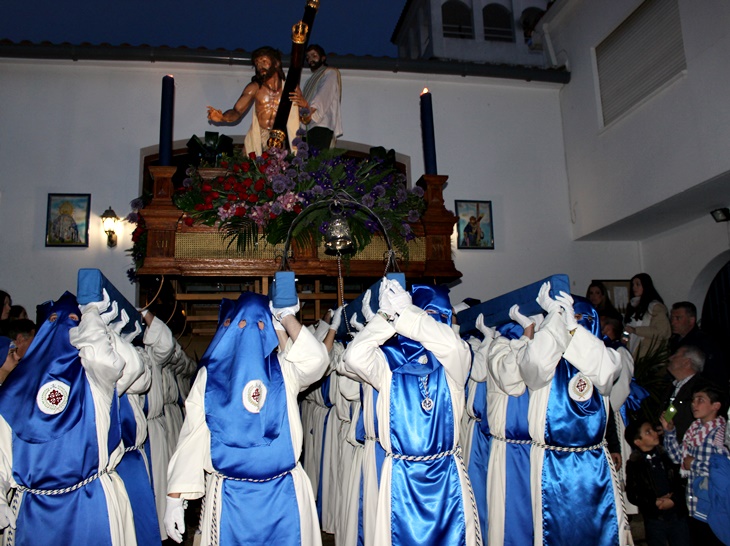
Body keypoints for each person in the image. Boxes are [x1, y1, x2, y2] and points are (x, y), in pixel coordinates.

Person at [165, 292, 329, 545]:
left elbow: (317, 360)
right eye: (243, 324)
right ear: (229, 327)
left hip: (283, 494)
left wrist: (285, 319)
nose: (251, 331)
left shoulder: (285, 369)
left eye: (260, 325)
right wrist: (174, 499)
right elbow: (191, 436)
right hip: (231, 497)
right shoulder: (209, 379)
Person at [342, 280, 481, 546]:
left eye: (440, 318)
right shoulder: (387, 362)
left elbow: (452, 345)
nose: (434, 324)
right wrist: (384, 318)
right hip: (401, 477)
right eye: (429, 315)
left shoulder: (454, 362)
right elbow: (354, 358)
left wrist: (408, 313)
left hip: (445, 475)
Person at [0, 290, 142, 545]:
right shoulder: (13, 391)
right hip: (35, 508)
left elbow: (126, 367)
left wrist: (98, 321)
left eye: (75, 322)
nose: (67, 330)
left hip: (89, 501)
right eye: (58, 322)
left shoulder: (92, 378)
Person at [520, 284, 631, 545]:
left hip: (593, 461)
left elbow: (604, 375)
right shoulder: (547, 357)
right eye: (573, 318)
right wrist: (553, 321)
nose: (579, 324)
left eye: (584, 320)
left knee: (600, 531)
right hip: (552, 461)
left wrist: (572, 328)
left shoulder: (609, 356)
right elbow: (532, 369)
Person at [661, 385, 727, 544]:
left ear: (715, 406)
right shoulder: (694, 430)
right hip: (693, 504)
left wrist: (695, 464)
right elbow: (678, 458)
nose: (694, 404)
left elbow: (724, 472)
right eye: (693, 400)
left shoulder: (720, 434)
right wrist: (669, 432)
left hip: (712, 507)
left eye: (700, 400)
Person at [207, 46, 299, 156]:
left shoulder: (291, 88)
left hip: (281, 139)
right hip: (259, 137)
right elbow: (237, 111)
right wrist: (222, 117)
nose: (260, 66)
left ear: (276, 63)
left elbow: (304, 116)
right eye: (257, 63)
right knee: (250, 167)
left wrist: (304, 105)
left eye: (264, 61)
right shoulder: (254, 88)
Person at [624, 420, 690, 546]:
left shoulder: (666, 456)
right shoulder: (634, 465)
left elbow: (681, 480)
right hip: (655, 519)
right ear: (638, 442)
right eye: (648, 432)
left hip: (677, 515)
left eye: (653, 430)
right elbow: (633, 494)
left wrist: (674, 500)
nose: (655, 433)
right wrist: (654, 502)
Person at [290, 44, 343, 151]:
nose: (311, 59)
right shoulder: (309, 81)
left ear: (323, 58)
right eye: (308, 57)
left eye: (314, 55)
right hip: (308, 126)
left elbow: (324, 94)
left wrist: (309, 109)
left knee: (317, 160)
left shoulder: (330, 72)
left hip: (321, 124)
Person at [668, 301, 728, 391]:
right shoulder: (675, 340)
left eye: (678, 318)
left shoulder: (704, 342)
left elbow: (714, 372)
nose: (673, 322)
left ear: (691, 320)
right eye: (672, 318)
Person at [662, 345, 710, 443]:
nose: (670, 358)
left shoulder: (701, 389)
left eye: (675, 355)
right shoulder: (672, 386)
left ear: (687, 362)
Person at [623, 273, 671, 359]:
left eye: (638, 284)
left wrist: (635, 330)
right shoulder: (632, 306)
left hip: (649, 355)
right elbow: (627, 329)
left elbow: (662, 332)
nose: (634, 287)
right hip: (632, 351)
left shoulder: (655, 307)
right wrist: (624, 339)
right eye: (633, 285)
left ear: (646, 286)